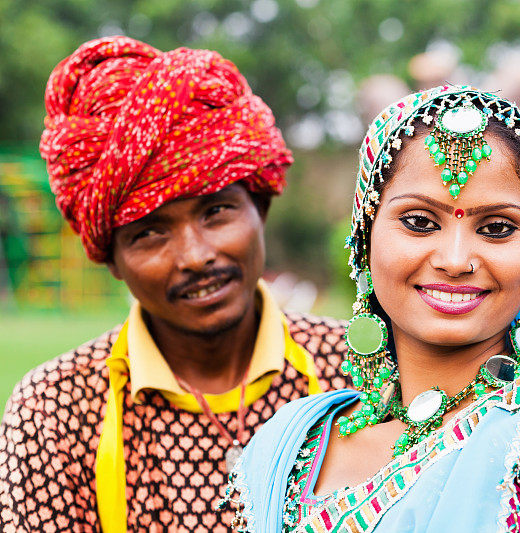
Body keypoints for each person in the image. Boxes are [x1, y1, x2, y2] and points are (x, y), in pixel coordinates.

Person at [221, 86, 520, 532]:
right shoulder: (294, 443)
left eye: (497, 228)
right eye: (418, 221)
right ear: (365, 239)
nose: (455, 260)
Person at [0, 36, 349, 532]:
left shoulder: (361, 373)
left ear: (260, 208)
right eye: (150, 233)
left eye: (216, 212)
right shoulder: (53, 412)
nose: (195, 256)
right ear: (112, 258)